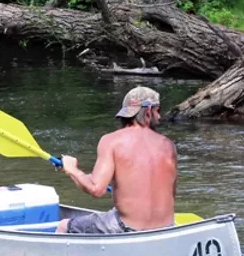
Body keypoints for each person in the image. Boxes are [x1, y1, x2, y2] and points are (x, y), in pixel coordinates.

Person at [56, 86, 177, 234]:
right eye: (158, 110)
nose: (159, 117)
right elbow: (170, 195)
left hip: (127, 227)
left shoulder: (111, 141)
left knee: (63, 226)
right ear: (148, 111)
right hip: (167, 228)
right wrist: (73, 173)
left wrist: (72, 169)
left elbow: (96, 189)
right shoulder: (169, 146)